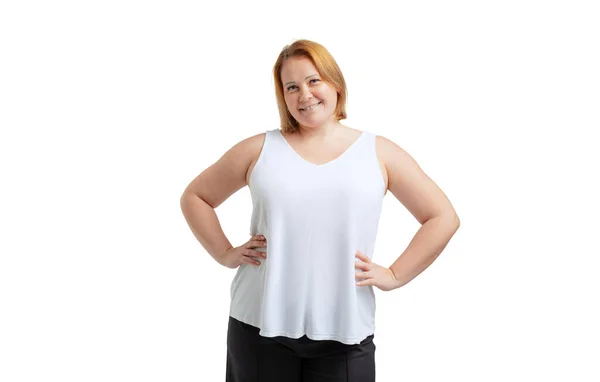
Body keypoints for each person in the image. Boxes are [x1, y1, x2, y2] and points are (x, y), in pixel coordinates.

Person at [180, 39, 460, 382]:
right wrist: (224, 252)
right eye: (291, 86)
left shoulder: (379, 153)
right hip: (258, 322)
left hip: (345, 328)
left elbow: (442, 217)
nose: (304, 95)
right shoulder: (258, 149)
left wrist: (395, 275)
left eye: (314, 81)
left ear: (335, 84)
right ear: (282, 96)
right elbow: (196, 196)